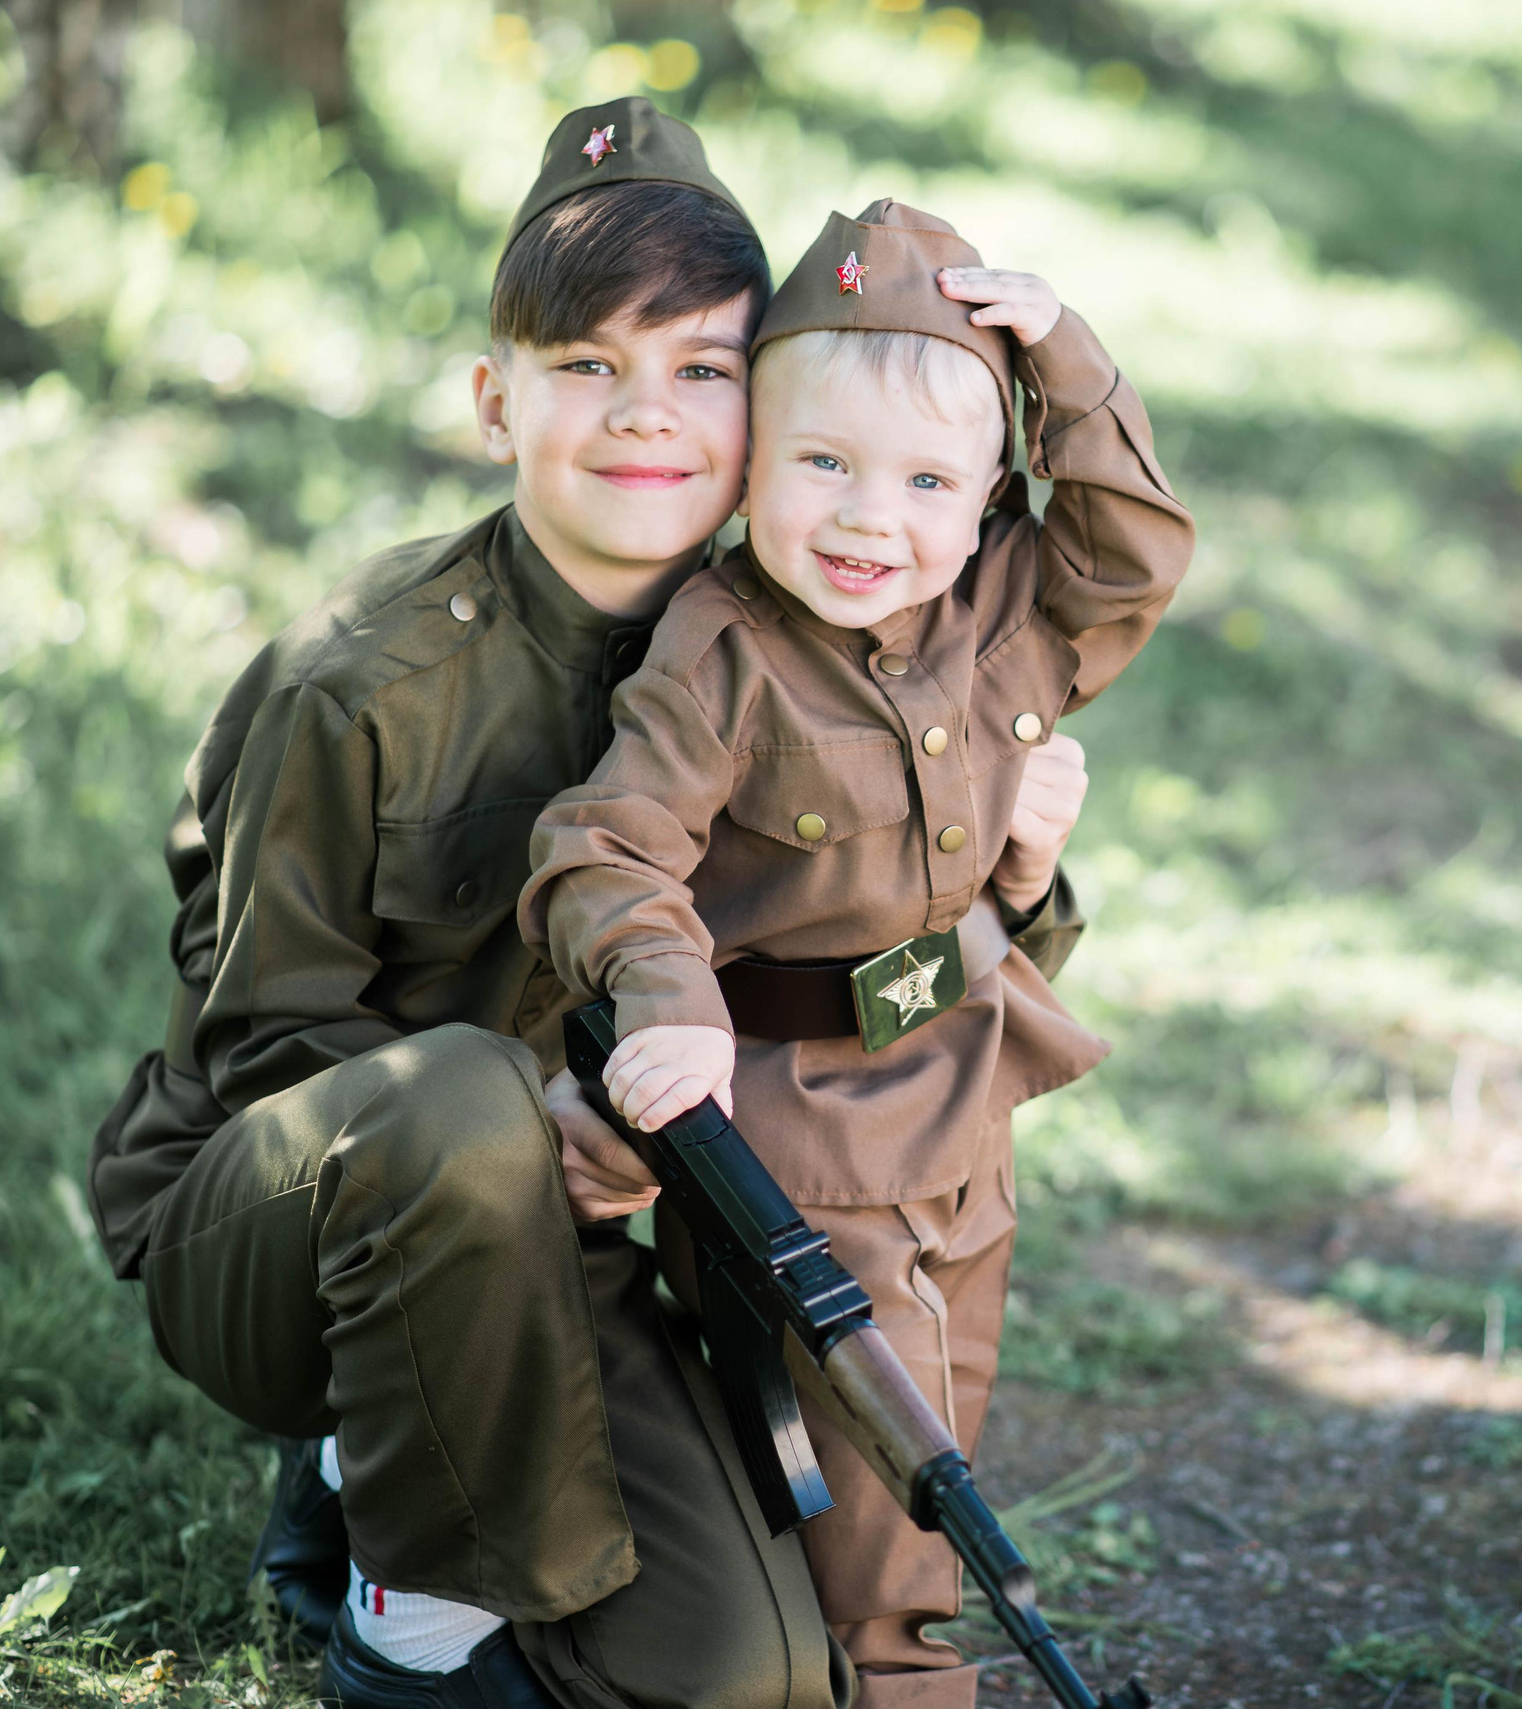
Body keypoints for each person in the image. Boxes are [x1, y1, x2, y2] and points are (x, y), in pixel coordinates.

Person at [84, 101, 1093, 1709]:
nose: (648, 417)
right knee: (471, 1100)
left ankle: (433, 1465)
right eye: (587, 367)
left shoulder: (814, 643)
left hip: (583, 1236)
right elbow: (261, 1040)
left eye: (701, 368)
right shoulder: (365, 680)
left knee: (740, 1677)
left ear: (764, 406)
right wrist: (519, 1114)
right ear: (498, 400)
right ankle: (392, 1569)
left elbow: (865, 975)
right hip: (295, 1223)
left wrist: (1020, 882)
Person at [519, 200, 1194, 1709]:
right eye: (820, 462)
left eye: (926, 481)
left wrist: (1064, 356)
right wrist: (667, 1004)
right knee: (894, 1500)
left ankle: (845, 1631)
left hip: (960, 1093)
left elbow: (1137, 548)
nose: (866, 519)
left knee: (943, 1405)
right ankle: (898, 1679)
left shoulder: (994, 607)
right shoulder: (722, 648)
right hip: (797, 1130)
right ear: (751, 465)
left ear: (985, 504)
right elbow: (607, 843)